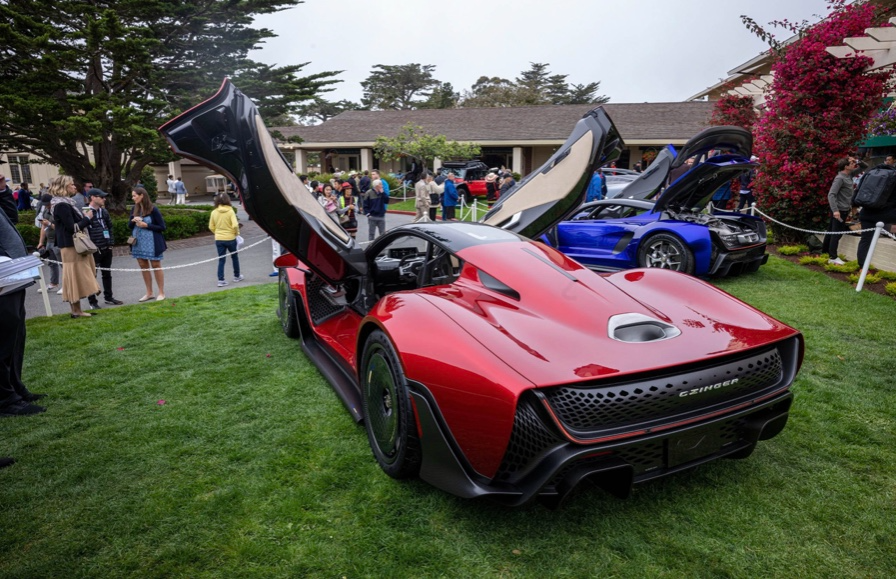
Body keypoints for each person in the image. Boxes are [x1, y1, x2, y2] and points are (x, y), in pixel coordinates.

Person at [0, 176, 46, 416]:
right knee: (4, 338)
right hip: (2, 275)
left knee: (15, 334)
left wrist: (2, 191)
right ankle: (5, 399)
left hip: (12, 275)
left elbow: (11, 218)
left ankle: (15, 387)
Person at [49, 175, 101, 318]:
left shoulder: (64, 203)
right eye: (71, 184)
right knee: (74, 277)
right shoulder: (62, 205)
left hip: (70, 245)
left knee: (75, 277)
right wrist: (87, 218)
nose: (75, 187)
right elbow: (72, 228)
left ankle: (76, 310)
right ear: (64, 187)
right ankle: (76, 310)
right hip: (71, 246)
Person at [84, 188, 123, 308]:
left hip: (106, 247)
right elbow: (82, 229)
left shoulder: (104, 212)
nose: (104, 199)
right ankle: (92, 301)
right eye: (101, 197)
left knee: (107, 273)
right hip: (93, 249)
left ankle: (109, 296)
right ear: (93, 198)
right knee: (91, 275)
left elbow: (110, 227)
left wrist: (111, 243)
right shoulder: (85, 212)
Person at [129, 186, 167, 301]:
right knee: (143, 265)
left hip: (152, 242)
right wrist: (133, 221)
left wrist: (147, 225)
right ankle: (149, 292)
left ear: (142, 196)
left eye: (134, 195)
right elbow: (129, 227)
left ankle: (161, 292)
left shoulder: (153, 209)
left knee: (156, 265)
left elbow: (162, 227)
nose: (132, 198)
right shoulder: (134, 209)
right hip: (138, 241)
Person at [822, 157, 856, 265]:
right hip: (839, 210)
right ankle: (833, 257)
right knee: (836, 234)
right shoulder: (840, 178)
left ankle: (825, 251)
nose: (854, 164)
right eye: (852, 163)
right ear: (846, 166)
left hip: (844, 209)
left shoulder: (848, 176)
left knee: (831, 231)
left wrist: (856, 160)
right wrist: (835, 210)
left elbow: (864, 166)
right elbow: (831, 195)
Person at [208, 193, 242, 287]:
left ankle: (221, 279)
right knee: (234, 257)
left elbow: (211, 226)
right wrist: (236, 233)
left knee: (221, 260)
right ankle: (237, 276)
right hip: (230, 238)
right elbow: (235, 225)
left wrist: (217, 233)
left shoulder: (214, 212)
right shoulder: (230, 211)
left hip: (219, 238)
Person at [35, 194, 61, 291]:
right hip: (49, 241)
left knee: (63, 264)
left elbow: (61, 228)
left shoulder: (58, 211)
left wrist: (49, 224)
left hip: (59, 241)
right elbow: (43, 227)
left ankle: (67, 285)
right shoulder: (46, 211)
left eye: (48, 204)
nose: (46, 206)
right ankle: (53, 283)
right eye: (45, 204)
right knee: (51, 263)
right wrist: (41, 242)